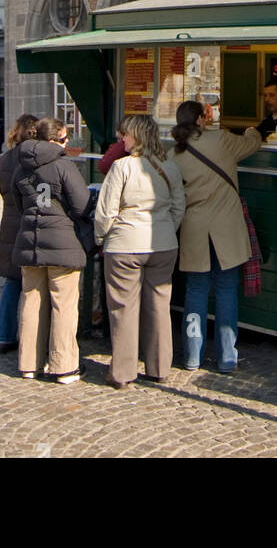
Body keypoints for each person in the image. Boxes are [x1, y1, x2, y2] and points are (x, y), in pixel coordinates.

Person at [95, 114, 185, 389]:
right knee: (159, 306)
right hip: (163, 243)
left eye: (127, 135)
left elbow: (106, 211)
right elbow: (179, 206)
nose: (123, 139)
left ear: (138, 136)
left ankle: (123, 371)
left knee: (123, 308)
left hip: (125, 245)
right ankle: (159, 367)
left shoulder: (122, 167)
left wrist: (102, 238)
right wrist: (166, 228)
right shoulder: (170, 166)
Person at [173, 100, 263, 374]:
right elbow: (252, 144)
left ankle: (192, 356)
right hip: (226, 226)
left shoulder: (174, 154)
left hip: (194, 227)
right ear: (200, 119)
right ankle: (226, 358)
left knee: (196, 291)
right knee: (226, 290)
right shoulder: (222, 140)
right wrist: (252, 130)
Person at [11, 116, 92, 384]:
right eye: (66, 138)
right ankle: (63, 366)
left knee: (31, 301)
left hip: (29, 241)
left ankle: (28, 364)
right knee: (63, 304)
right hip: (62, 242)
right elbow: (81, 205)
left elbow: (17, 202)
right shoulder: (63, 166)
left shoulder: (20, 167)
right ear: (57, 140)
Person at [0, 112, 39, 354]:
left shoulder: (5, 159)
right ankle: (33, 338)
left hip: (10, 221)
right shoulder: (34, 158)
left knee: (12, 282)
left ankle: (4, 334)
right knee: (32, 283)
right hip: (29, 220)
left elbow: (4, 190)